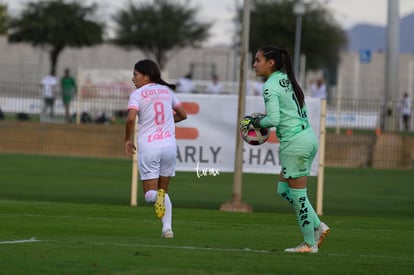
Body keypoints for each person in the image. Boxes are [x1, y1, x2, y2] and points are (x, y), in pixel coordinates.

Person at [241, 45, 330, 253]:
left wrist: (254, 122)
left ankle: (310, 244)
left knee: (298, 195)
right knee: (283, 189)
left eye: (258, 60)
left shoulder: (270, 86)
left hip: (295, 143)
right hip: (306, 137)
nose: (254, 64)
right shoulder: (286, 79)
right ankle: (317, 225)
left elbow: (274, 119)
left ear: (270, 63)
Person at [124, 59, 187, 238]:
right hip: (169, 147)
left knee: (151, 194)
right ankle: (167, 229)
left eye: (135, 75)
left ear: (146, 76)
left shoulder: (138, 94)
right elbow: (183, 114)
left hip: (149, 146)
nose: (132, 79)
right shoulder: (166, 91)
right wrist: (168, 122)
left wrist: (127, 140)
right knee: (162, 192)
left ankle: (162, 215)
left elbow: (130, 119)